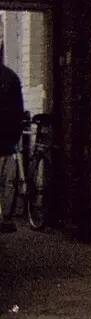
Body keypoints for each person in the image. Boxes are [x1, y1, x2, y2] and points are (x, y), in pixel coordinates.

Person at [0, 49, 23, 234]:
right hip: (6, 141)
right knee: (7, 182)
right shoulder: (11, 77)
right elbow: (18, 112)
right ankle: (4, 216)